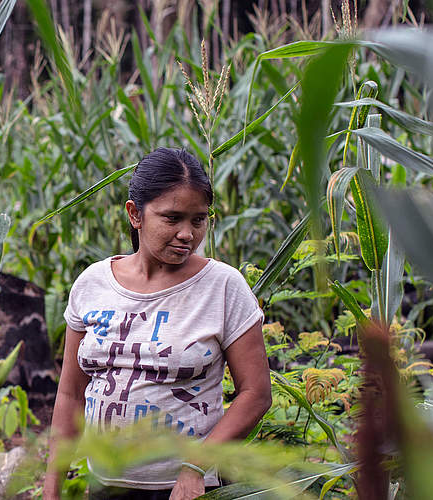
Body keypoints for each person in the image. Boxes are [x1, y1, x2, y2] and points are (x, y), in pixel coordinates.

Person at [42, 148, 271, 500]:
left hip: (189, 490)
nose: (187, 234)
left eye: (198, 220)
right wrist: (52, 488)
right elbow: (70, 393)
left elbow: (256, 394)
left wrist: (196, 467)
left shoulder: (222, 287)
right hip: (106, 485)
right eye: (172, 218)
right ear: (135, 214)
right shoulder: (93, 284)